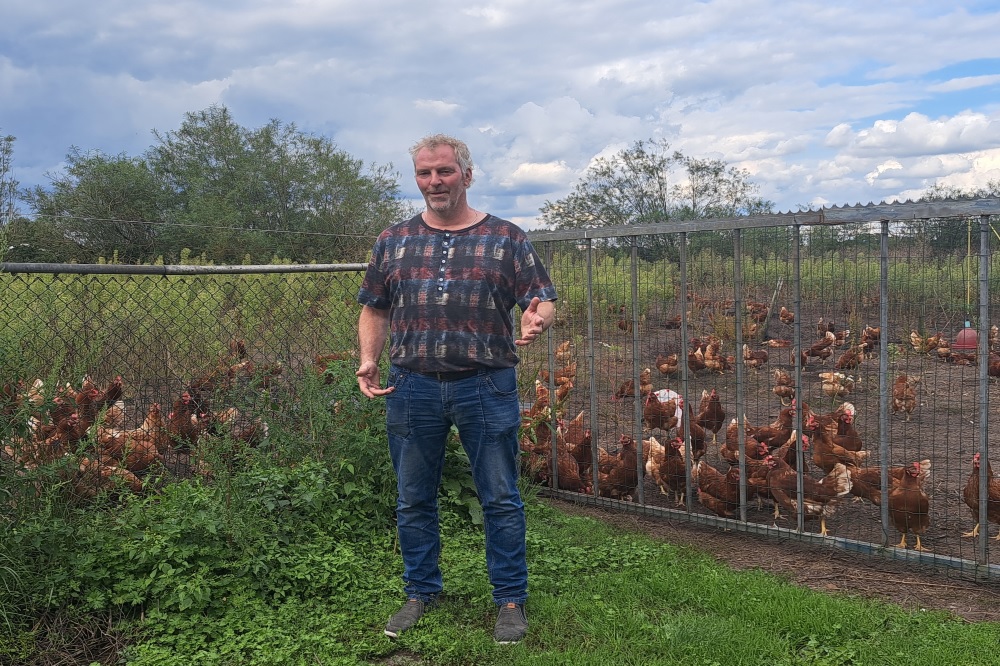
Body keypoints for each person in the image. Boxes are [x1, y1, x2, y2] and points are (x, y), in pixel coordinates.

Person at [356, 134, 556, 644]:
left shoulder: (506, 238)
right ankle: (420, 591)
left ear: (466, 175)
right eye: (424, 173)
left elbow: (541, 297)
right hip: (411, 386)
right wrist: (368, 358)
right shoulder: (393, 240)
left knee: (501, 496)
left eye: (444, 171)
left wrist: (537, 318)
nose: (434, 182)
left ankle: (510, 599)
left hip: (485, 385)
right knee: (412, 497)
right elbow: (375, 307)